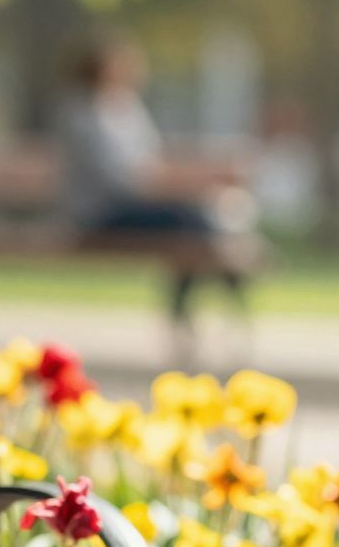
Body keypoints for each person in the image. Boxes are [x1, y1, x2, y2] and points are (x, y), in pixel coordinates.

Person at [56, 31, 259, 357]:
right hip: (101, 213)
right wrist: (174, 185)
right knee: (194, 222)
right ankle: (226, 280)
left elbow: (148, 164)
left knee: (196, 223)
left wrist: (180, 184)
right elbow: (123, 178)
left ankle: (204, 291)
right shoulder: (83, 112)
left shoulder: (125, 107)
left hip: (132, 205)